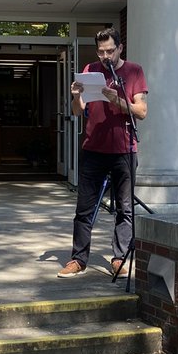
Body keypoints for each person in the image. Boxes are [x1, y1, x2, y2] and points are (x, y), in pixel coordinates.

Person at [58, 26, 148, 277]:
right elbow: (77, 111)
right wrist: (76, 96)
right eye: (101, 52)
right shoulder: (90, 70)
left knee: (125, 209)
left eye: (110, 51)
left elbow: (141, 111)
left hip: (124, 150)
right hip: (93, 149)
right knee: (84, 208)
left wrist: (116, 100)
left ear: (120, 48)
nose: (105, 56)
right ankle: (78, 259)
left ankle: (119, 258)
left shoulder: (134, 71)